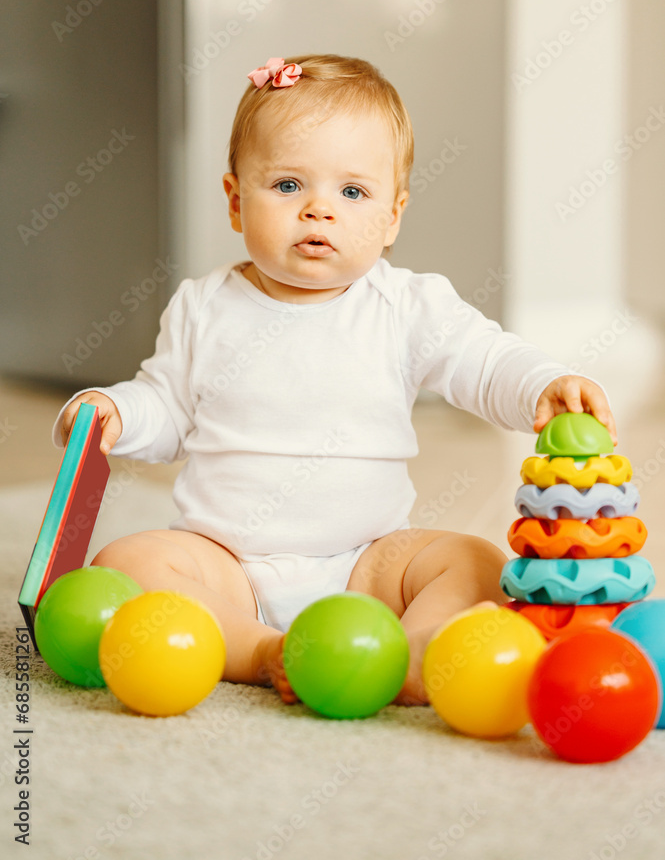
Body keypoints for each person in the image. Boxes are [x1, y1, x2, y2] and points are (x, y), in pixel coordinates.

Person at [53, 54, 617, 706]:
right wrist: (115, 413)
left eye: (351, 193)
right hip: (230, 564)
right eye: (288, 185)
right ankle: (260, 650)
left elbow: (482, 360)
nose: (319, 210)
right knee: (129, 562)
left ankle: (410, 649)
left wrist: (541, 384)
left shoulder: (406, 306)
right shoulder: (203, 306)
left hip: (366, 563)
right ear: (236, 201)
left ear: (391, 218)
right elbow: (167, 403)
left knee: (476, 561)